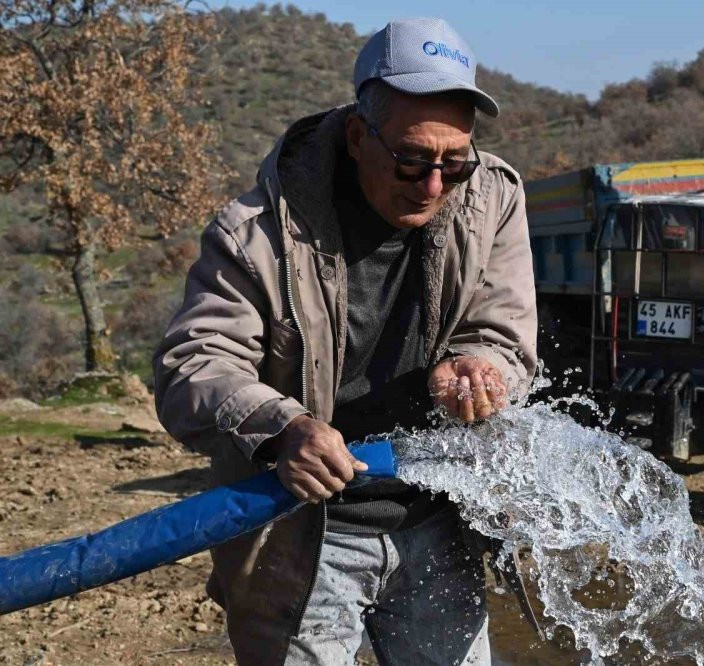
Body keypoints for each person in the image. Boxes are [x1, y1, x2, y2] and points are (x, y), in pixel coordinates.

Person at [153, 17, 536, 666]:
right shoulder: (256, 231)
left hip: (439, 519)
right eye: (412, 160)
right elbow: (195, 363)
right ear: (359, 138)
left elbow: (503, 330)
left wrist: (479, 366)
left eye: (453, 163)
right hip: (301, 529)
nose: (434, 185)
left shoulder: (491, 197)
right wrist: (284, 428)